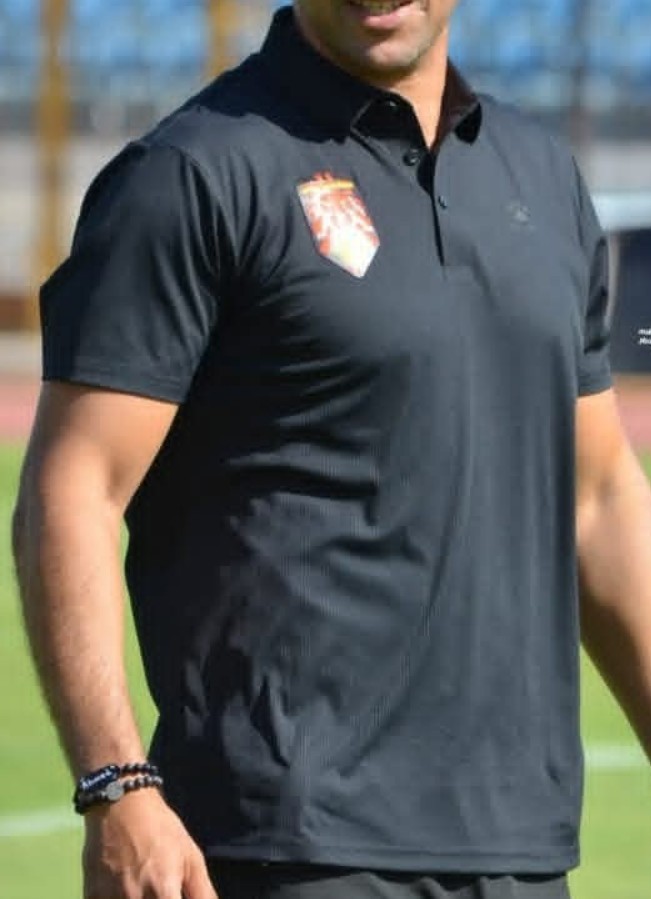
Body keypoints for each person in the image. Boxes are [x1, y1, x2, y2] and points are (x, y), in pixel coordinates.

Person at [12, 2, 651, 898]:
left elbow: (598, 499)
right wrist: (114, 783)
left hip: (519, 848)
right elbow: (73, 488)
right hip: (285, 846)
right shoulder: (191, 172)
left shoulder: (542, 177)